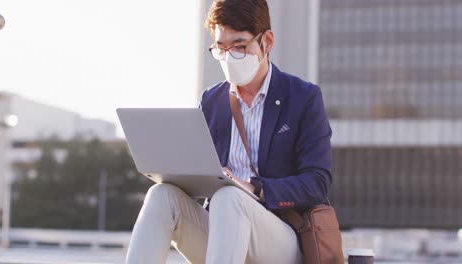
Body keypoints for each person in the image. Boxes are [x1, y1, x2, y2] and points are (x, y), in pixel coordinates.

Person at [125, 0, 332, 263]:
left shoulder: (303, 97)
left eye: (240, 47)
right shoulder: (211, 101)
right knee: (161, 196)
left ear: (266, 42)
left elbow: (318, 183)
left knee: (230, 196)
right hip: (224, 234)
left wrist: (254, 189)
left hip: (282, 239)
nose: (230, 56)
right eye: (222, 48)